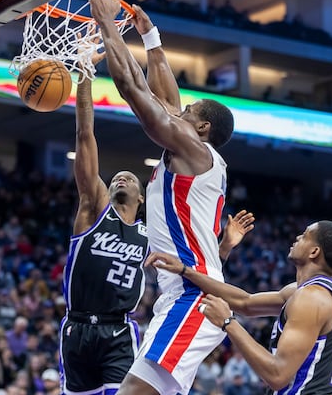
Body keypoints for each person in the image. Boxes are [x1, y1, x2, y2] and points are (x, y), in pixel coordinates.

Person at [61, 44, 248, 395]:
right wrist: (85, 80)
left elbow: (192, 263)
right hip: (77, 327)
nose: (122, 178)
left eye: (131, 178)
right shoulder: (93, 213)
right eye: (117, 176)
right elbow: (85, 138)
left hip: (119, 330)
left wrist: (219, 250)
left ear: (144, 197)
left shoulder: (151, 235)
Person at [147, 220, 332, 394]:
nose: (297, 238)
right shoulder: (302, 291)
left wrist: (228, 322)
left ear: (314, 251)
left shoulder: (312, 298)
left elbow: (277, 375)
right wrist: (186, 270)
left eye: (304, 235)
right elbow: (245, 303)